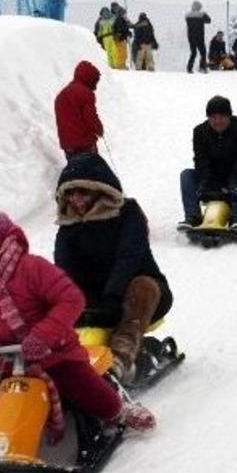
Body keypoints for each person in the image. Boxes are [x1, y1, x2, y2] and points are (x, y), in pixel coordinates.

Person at [0, 206, 155, 438]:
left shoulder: (30, 267)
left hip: (55, 355)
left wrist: (42, 336)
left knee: (106, 407)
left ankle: (119, 403)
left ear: (1, 242)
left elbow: (70, 299)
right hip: (2, 363)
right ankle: (31, 410)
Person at [54, 155, 173, 382]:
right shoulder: (67, 226)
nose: (76, 199)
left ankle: (119, 360)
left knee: (142, 285)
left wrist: (112, 297)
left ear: (99, 190)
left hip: (135, 293)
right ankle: (62, 367)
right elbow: (63, 269)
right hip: (92, 304)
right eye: (70, 193)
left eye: (83, 192)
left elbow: (128, 257)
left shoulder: (127, 213)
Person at [179, 95, 237, 234]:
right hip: (212, 179)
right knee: (186, 174)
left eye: (222, 116)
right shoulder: (200, 131)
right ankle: (192, 217)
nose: (217, 121)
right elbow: (200, 160)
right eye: (213, 117)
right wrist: (204, 182)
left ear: (229, 116)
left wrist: (235, 182)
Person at [54, 61, 104, 160]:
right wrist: (99, 129)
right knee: (91, 169)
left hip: (67, 144)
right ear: (89, 79)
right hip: (84, 143)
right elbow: (91, 117)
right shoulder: (86, 93)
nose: (96, 86)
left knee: (76, 169)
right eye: (95, 81)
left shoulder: (62, 94)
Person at [185, 0, 212, 73]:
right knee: (203, 52)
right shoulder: (202, 14)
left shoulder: (187, 15)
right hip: (199, 36)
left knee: (193, 52)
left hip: (190, 36)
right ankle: (202, 67)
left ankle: (189, 68)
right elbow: (209, 20)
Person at [110, 3, 131, 70]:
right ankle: (120, 66)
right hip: (120, 38)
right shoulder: (119, 18)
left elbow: (125, 27)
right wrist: (127, 31)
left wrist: (127, 32)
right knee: (121, 52)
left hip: (121, 37)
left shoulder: (118, 18)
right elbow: (121, 28)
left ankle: (122, 65)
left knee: (123, 52)